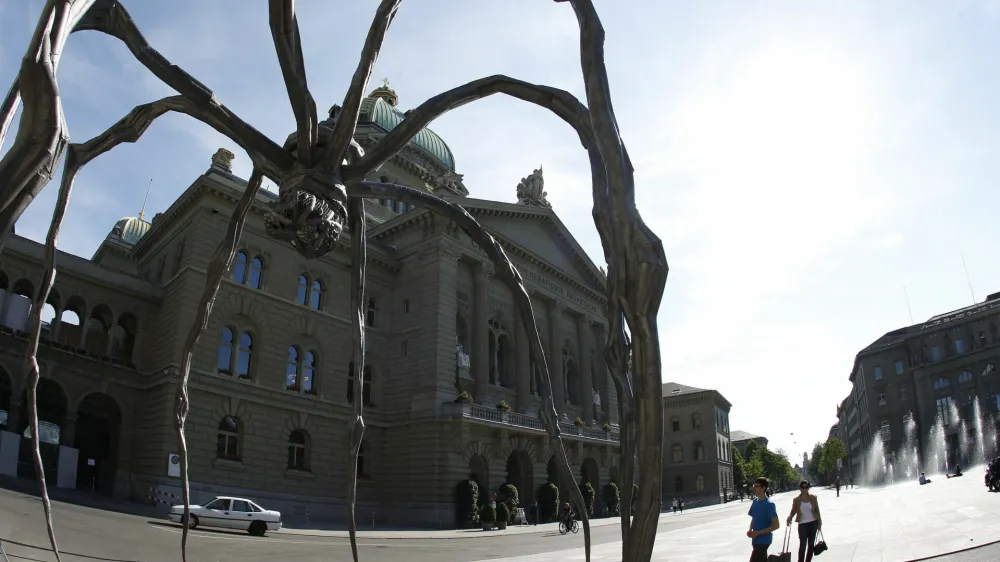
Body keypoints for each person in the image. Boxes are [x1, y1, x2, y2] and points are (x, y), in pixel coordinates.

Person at [786, 480, 822, 562]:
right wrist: (790, 517)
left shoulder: (813, 498)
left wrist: (819, 523)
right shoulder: (796, 500)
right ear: (800, 488)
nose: (804, 489)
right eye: (803, 487)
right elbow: (793, 511)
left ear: (808, 488)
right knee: (803, 545)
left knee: (811, 544)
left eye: (806, 487)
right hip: (802, 524)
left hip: (813, 523)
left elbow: (817, 510)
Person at [747, 476, 780, 562]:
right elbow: (754, 518)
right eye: (754, 486)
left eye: (757, 486)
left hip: (764, 540)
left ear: (763, 488)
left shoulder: (769, 504)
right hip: (755, 540)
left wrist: (758, 533)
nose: (754, 488)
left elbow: (776, 525)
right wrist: (750, 530)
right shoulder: (755, 501)